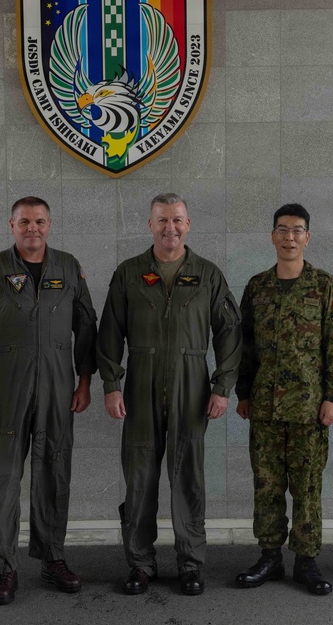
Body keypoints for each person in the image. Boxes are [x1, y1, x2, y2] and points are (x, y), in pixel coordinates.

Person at [97, 192, 242, 597]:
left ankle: (190, 563)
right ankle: (140, 564)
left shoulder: (207, 275)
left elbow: (230, 333)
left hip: (191, 386)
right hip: (140, 386)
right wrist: (111, 384)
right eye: (162, 220)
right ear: (150, 225)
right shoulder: (129, 273)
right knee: (139, 479)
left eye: (177, 219)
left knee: (188, 478)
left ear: (188, 224)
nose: (170, 228)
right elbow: (109, 332)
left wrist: (222, 387)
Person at [0, 196, 98, 605]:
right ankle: (4, 566)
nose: (32, 228)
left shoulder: (68, 267)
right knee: (5, 482)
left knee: (54, 475)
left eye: (39, 221)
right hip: (7, 391)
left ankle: (53, 558)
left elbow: (86, 325)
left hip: (57, 389)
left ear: (49, 225)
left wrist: (84, 381)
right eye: (24, 222)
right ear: (12, 226)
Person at [234, 204, 333, 596]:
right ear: (272, 236)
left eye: (297, 230)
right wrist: (243, 392)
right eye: (282, 230)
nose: (289, 237)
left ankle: (306, 560)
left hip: (308, 408)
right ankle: (270, 556)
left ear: (307, 237)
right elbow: (244, 344)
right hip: (264, 407)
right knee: (266, 485)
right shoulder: (257, 287)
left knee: (306, 488)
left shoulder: (324, 286)